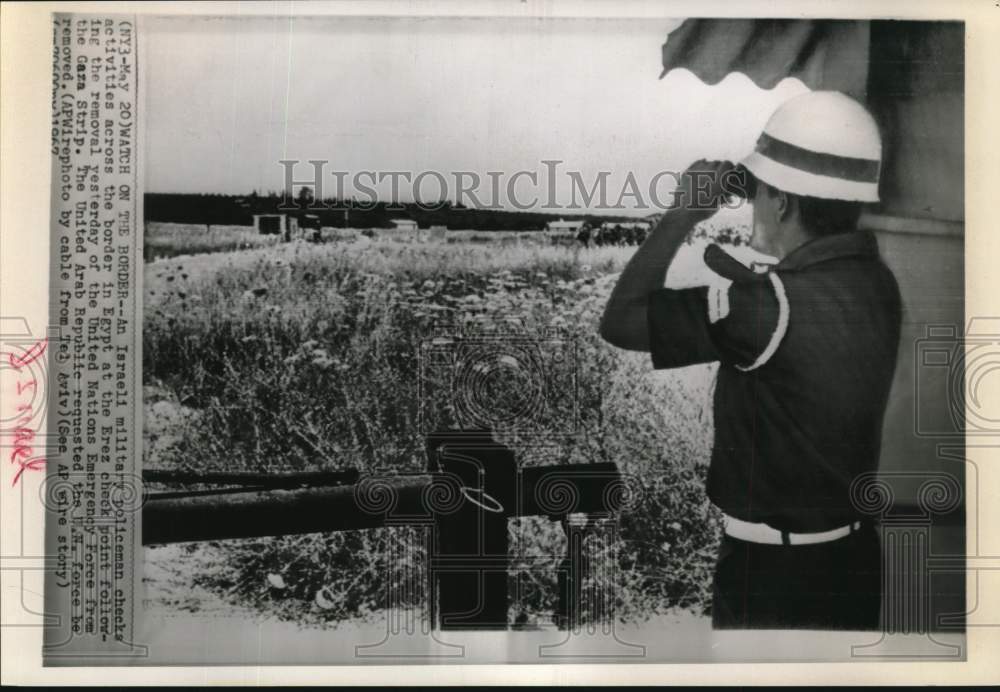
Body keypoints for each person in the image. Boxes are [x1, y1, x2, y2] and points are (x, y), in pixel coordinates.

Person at [599, 91, 901, 630]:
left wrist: (683, 214)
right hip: (853, 562)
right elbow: (801, 307)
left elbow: (620, 321)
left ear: (782, 202)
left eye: (759, 192)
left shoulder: (766, 307)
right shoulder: (876, 282)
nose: (753, 202)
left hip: (773, 577)